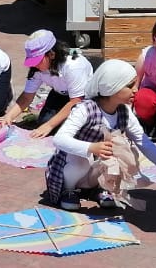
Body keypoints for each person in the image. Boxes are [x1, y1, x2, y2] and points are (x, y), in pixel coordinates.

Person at [38, 59, 144, 211]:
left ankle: (101, 187)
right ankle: (68, 190)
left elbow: (144, 143)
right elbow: (59, 139)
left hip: (94, 172)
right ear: (111, 87)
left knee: (120, 153)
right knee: (81, 160)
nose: (135, 90)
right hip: (72, 167)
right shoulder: (85, 109)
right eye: (129, 86)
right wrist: (91, 147)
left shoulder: (124, 111)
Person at [3, 31, 89, 135]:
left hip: (84, 98)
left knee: (69, 130)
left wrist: (49, 126)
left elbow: (76, 101)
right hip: (61, 93)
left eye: (38, 61)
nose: (35, 65)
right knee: (43, 123)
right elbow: (27, 96)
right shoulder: (37, 69)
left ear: (52, 54)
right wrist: (10, 116)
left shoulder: (73, 66)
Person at [132, 18, 156, 141]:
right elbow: (136, 84)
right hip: (152, 90)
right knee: (143, 100)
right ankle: (149, 125)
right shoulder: (147, 54)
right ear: (154, 38)